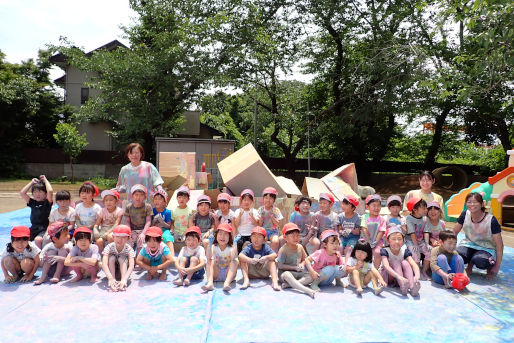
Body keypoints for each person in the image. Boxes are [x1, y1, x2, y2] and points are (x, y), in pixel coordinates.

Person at [453, 192, 504, 280]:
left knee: (481, 261)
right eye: (469, 202)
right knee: (457, 255)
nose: (472, 204)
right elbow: (454, 233)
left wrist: (497, 266)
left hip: (487, 248)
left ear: (482, 204)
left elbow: (500, 245)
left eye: (475, 202)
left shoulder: (491, 220)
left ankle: (489, 268)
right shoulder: (465, 214)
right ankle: (469, 266)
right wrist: (449, 249)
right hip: (469, 244)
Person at [276, 223, 316, 298]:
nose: (296, 238)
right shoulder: (283, 250)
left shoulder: (300, 247)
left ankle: (290, 285)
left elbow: (306, 259)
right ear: (285, 237)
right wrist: (293, 268)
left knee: (311, 276)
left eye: (297, 235)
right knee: (287, 275)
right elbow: (280, 265)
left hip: (298, 272)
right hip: (286, 274)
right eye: (292, 236)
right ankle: (307, 290)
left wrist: (302, 264)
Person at [380, 226, 421, 296]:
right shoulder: (385, 251)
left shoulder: (404, 251)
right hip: (389, 277)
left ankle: (412, 287)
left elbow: (413, 264)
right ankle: (403, 286)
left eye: (399, 239)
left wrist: (417, 276)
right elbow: (386, 266)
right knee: (395, 262)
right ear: (388, 240)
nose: (397, 241)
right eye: (393, 239)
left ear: (403, 240)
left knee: (405, 263)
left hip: (401, 277)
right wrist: (399, 277)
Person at [239, 226, 280, 291]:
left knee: (272, 260)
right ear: (251, 238)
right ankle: (246, 280)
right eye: (254, 236)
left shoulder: (265, 247)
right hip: (251, 273)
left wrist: (266, 257)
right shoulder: (249, 247)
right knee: (243, 260)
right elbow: (240, 256)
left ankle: (275, 282)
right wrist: (250, 260)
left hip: (263, 272)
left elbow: (275, 255)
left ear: (264, 240)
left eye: (259, 237)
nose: (256, 239)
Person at [202, 223, 239, 292]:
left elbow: (234, 257)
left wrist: (235, 243)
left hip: (228, 274)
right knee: (210, 260)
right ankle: (210, 283)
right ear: (216, 236)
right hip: (216, 273)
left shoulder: (230, 248)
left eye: (225, 234)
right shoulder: (214, 246)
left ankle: (226, 283)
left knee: (235, 261)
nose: (222, 237)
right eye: (220, 234)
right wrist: (209, 244)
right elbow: (208, 257)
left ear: (229, 237)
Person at [19, 175, 53, 248]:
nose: (37, 194)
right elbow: (22, 193)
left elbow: (50, 191)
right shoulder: (32, 202)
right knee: (22, 237)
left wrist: (45, 180)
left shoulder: (47, 203)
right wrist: (31, 182)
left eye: (40, 192)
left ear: (45, 193)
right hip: (33, 227)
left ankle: (39, 256)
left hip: (44, 229)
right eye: (35, 192)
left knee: (38, 240)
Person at [102, 225, 136, 291]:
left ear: (128, 238)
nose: (120, 239)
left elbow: (131, 266)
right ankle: (113, 280)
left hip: (123, 272)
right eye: (117, 236)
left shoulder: (129, 249)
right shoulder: (109, 247)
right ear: (113, 237)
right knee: (111, 258)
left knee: (122, 258)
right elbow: (104, 264)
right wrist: (110, 278)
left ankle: (122, 280)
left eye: (123, 237)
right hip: (112, 272)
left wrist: (125, 279)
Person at [405, 197, 431, 280]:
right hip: (411, 241)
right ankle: (417, 271)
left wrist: (427, 243)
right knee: (416, 254)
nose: (426, 210)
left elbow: (426, 231)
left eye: (426, 208)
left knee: (430, 251)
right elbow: (412, 233)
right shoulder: (409, 218)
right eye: (423, 208)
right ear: (415, 210)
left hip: (421, 241)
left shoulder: (425, 218)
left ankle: (424, 271)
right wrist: (416, 245)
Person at [123, 184, 153, 252]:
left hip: (143, 230)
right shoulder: (129, 207)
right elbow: (127, 221)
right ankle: (130, 259)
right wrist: (129, 232)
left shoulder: (148, 207)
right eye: (136, 195)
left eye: (141, 195)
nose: (138, 197)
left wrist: (143, 233)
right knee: (128, 243)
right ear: (132, 196)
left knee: (141, 243)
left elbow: (148, 221)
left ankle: (138, 260)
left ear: (145, 197)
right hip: (132, 230)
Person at [361, 194, 387, 269]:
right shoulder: (364, 217)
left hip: (377, 241)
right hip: (365, 240)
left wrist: (375, 241)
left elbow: (381, 231)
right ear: (367, 207)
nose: (376, 208)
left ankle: (375, 270)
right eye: (374, 205)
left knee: (377, 252)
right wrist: (369, 240)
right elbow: (364, 229)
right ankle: (365, 269)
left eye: (378, 206)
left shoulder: (381, 219)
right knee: (364, 253)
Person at [234, 189, 260, 253]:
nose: (246, 202)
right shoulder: (238, 211)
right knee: (239, 243)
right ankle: (240, 257)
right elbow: (236, 224)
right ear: (241, 201)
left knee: (255, 243)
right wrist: (240, 215)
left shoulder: (254, 211)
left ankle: (254, 256)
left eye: (249, 200)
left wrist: (252, 216)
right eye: (244, 200)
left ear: (252, 201)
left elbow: (256, 224)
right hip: (241, 234)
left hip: (251, 234)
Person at [258, 187, 284, 252]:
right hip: (263, 231)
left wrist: (272, 217)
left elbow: (278, 224)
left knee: (275, 241)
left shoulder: (276, 210)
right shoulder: (260, 210)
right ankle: (261, 256)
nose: (268, 200)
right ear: (263, 199)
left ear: (274, 200)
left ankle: (272, 256)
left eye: (271, 198)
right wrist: (261, 216)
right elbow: (259, 224)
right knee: (261, 241)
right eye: (266, 198)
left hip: (273, 231)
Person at [338, 195, 361, 263]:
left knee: (348, 249)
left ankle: (347, 264)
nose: (343, 206)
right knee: (339, 248)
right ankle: (338, 263)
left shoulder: (358, 218)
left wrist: (350, 230)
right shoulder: (340, 216)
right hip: (343, 237)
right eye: (343, 204)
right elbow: (339, 229)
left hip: (353, 238)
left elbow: (357, 232)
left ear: (353, 208)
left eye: (346, 204)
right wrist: (342, 232)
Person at [152, 189, 175, 256]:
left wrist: (162, 221)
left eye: (160, 199)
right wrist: (154, 221)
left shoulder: (167, 212)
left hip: (164, 230)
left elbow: (168, 226)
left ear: (165, 202)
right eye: (155, 199)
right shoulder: (152, 210)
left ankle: (172, 256)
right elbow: (150, 225)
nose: (157, 201)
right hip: (154, 230)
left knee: (168, 237)